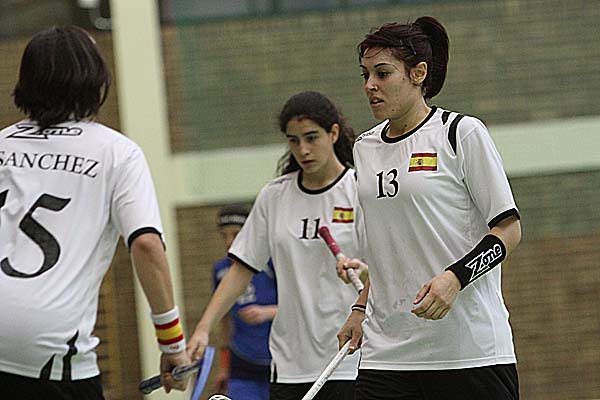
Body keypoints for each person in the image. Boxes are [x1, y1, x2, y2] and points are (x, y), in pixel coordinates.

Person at [337, 17, 522, 400]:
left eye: (382, 73)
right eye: (365, 75)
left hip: (468, 351)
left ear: (418, 73)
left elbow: (508, 230)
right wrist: (360, 307)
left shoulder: (461, 133)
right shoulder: (365, 148)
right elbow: (390, 247)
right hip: (387, 353)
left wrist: (455, 278)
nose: (370, 85)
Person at [0, 26, 190, 399]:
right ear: (94, 79)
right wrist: (172, 343)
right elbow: (146, 245)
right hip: (46, 344)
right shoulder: (116, 152)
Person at [188, 91, 361, 400]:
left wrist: (364, 270)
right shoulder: (275, 196)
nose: (303, 150)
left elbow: (388, 266)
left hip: (350, 358)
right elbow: (240, 270)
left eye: (311, 138)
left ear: (333, 133)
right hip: (291, 364)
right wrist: (204, 327)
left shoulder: (361, 190)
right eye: (294, 141)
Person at [211, 203, 278, 400]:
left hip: (277, 359)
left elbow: (298, 308)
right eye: (224, 236)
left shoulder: (272, 264)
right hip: (242, 362)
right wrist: (224, 367)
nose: (229, 242)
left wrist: (266, 313)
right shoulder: (221, 270)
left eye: (236, 234)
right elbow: (224, 320)